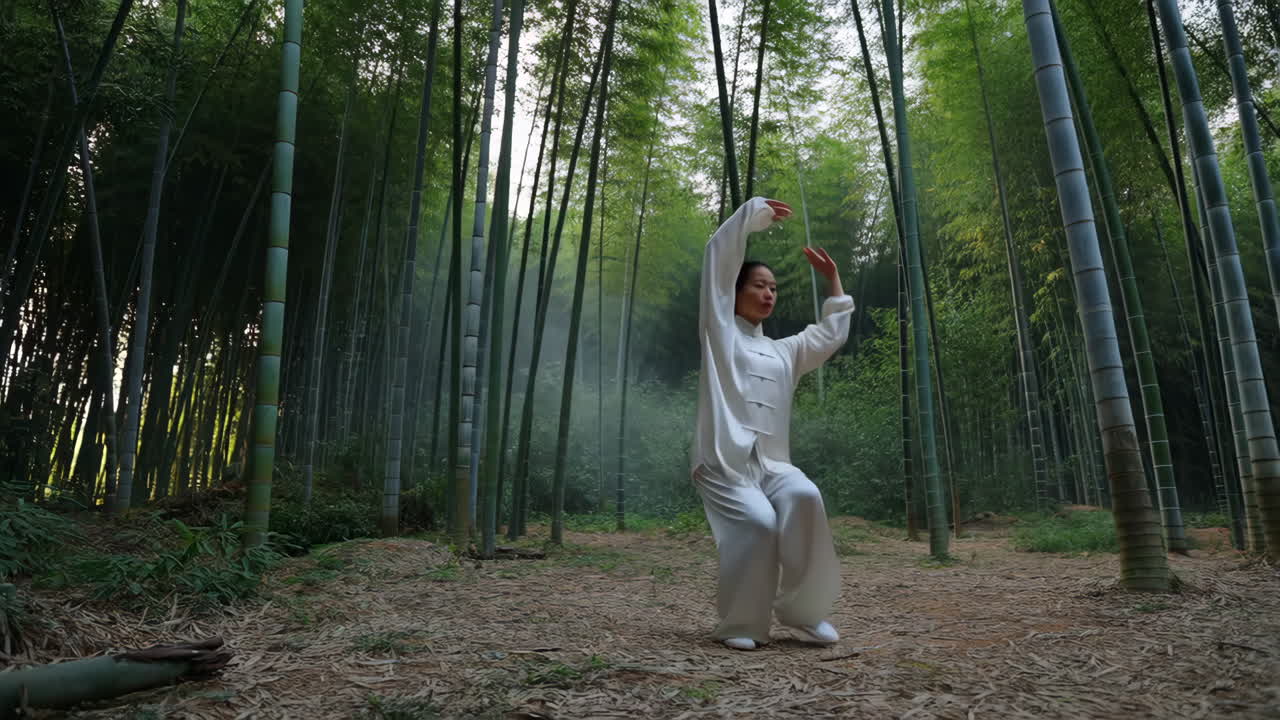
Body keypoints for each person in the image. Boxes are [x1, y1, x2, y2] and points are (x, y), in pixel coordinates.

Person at [690, 196, 854, 651]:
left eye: (774, 289)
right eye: (759, 285)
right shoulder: (718, 333)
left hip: (773, 466)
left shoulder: (783, 351)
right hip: (724, 462)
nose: (768, 294)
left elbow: (826, 336)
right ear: (734, 291)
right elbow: (716, 259)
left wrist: (834, 281)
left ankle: (803, 612)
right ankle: (742, 624)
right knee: (759, 524)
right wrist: (749, 217)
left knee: (804, 494)